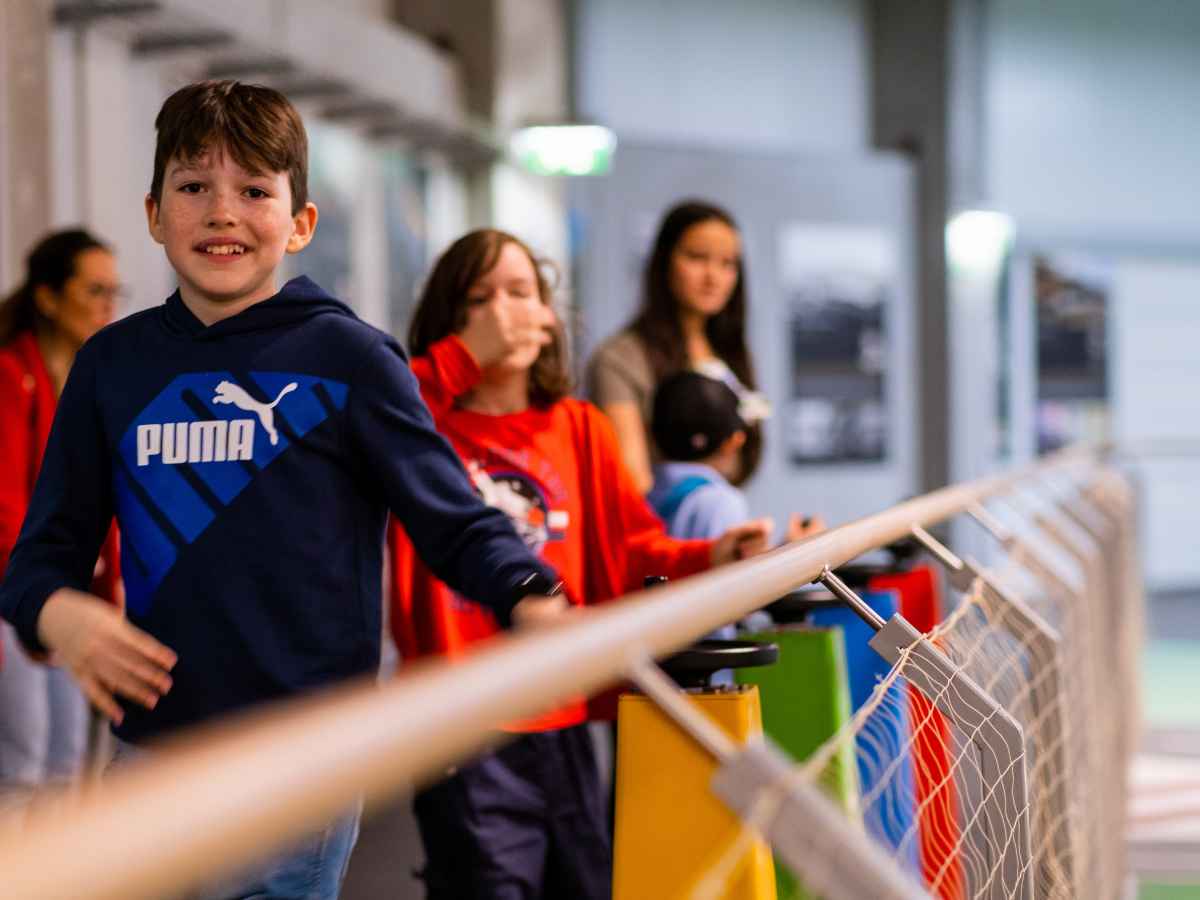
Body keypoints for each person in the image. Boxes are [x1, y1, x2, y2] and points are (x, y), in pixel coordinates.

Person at [0, 81, 567, 900]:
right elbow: (39, 557)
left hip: (301, 754)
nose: (222, 212)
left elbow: (453, 519)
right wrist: (60, 614)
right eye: (194, 188)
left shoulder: (349, 360)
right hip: (152, 752)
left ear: (300, 221)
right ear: (155, 213)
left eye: (254, 191)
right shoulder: (110, 367)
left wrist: (529, 592)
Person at [388, 228, 774, 899]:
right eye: (482, 299)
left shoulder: (579, 428)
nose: (506, 312)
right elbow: (375, 407)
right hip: (462, 724)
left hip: (562, 717)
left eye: (521, 293)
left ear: (546, 314)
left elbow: (635, 550)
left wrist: (714, 553)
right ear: (452, 320)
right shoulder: (421, 426)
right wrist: (459, 359)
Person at [0, 229, 122, 809]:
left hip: (64, 595)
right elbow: (6, 508)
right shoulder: (9, 374)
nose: (107, 306)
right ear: (48, 298)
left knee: (67, 760)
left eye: (113, 292)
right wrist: (36, 599)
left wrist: (107, 594)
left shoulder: (86, 380)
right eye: (94, 290)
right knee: (23, 763)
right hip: (17, 595)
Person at [646, 370, 824, 678]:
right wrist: (791, 555)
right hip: (706, 675)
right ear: (734, 442)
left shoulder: (642, 495)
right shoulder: (721, 502)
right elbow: (737, 595)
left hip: (647, 668)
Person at [586, 200, 768, 494]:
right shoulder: (619, 358)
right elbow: (634, 484)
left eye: (727, 263)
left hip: (723, 522)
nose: (713, 277)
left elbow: (744, 464)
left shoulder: (730, 353)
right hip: (660, 531)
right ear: (664, 261)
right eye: (697, 258)